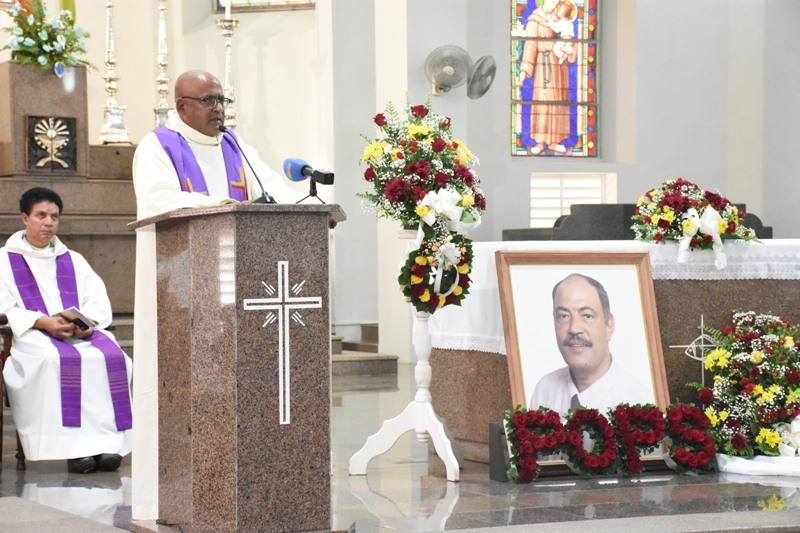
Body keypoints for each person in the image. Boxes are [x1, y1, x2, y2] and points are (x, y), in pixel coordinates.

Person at [130, 69, 301, 520]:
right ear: (182, 106)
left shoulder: (236, 146)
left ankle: (246, 490)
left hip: (239, 287)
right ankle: (176, 496)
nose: (218, 108)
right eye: (208, 100)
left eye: (221, 99)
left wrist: (307, 208)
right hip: (182, 286)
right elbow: (157, 199)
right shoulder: (157, 146)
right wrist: (219, 205)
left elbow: (272, 191)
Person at [0, 187, 132, 474]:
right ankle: (74, 451)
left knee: (113, 358)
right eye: (41, 215)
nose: (48, 222)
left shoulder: (73, 259)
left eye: (54, 217)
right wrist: (43, 322)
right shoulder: (4, 260)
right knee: (53, 361)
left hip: (78, 334)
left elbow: (96, 301)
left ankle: (106, 445)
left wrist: (86, 324)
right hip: (34, 335)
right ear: (25, 218)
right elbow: (5, 307)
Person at [529, 273, 652, 415]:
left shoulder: (639, 403)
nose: (574, 328)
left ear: (609, 326)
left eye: (587, 316)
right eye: (563, 316)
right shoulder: (545, 390)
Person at [516, 0, 579, 155]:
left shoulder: (560, 19)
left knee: (559, 101)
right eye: (552, 1)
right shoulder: (535, 19)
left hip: (560, 67)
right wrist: (523, 74)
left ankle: (554, 142)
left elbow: (571, 41)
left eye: (557, 2)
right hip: (543, 65)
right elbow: (530, 46)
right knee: (543, 102)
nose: (554, 5)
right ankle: (540, 141)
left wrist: (571, 50)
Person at [548, 0, 576, 65]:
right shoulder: (569, 22)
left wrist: (550, 20)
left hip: (564, 39)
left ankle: (562, 56)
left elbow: (556, 28)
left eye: (559, 10)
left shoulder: (562, 22)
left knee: (556, 48)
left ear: (563, 14)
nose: (557, 11)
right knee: (563, 48)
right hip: (571, 40)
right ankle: (564, 55)